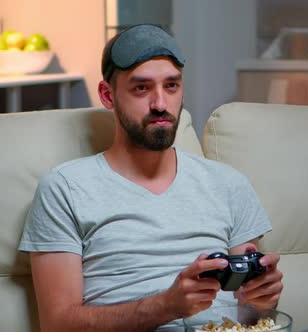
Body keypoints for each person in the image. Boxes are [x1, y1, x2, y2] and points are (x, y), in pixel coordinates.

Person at [18, 24, 283, 332]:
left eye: (171, 86)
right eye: (141, 88)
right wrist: (166, 306)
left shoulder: (228, 184)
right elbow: (58, 324)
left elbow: (252, 316)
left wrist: (264, 300)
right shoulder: (65, 189)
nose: (160, 104)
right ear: (107, 95)